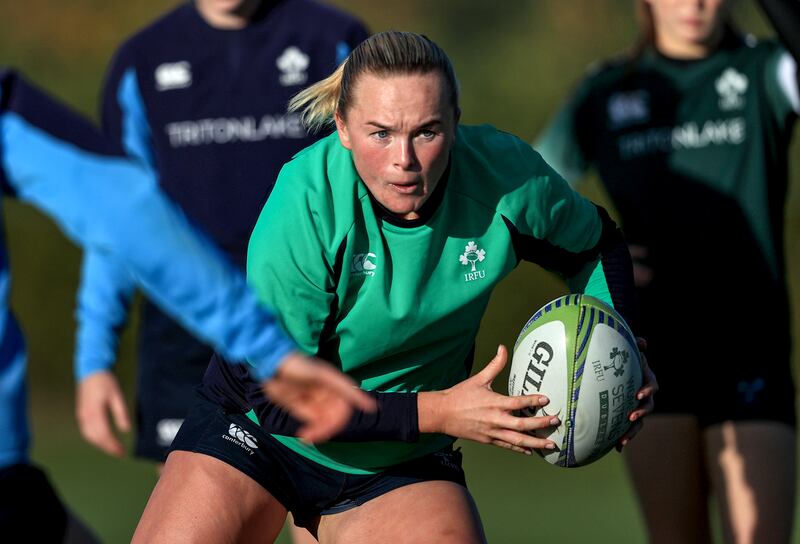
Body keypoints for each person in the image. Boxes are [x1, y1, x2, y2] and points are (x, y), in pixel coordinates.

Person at [132, 31, 658, 543]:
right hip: (257, 435)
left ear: (455, 122)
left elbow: (595, 245)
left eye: (426, 132)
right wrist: (441, 411)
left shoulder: (507, 180)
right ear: (342, 127)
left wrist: (623, 351)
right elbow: (280, 400)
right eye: (380, 133)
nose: (403, 161)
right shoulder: (305, 203)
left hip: (398, 460)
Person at [0, 68, 374, 541]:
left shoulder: (329, 35)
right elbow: (122, 212)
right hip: (202, 345)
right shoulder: (142, 61)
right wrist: (266, 349)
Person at [535, 0, 799, 542]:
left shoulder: (770, 69)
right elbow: (528, 197)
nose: (696, 3)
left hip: (751, 344)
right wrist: (589, 255)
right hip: (648, 356)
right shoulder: (606, 90)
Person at [74, 0, 368, 470]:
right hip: (184, 330)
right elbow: (118, 222)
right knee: (194, 516)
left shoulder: (333, 40)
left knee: (319, 500)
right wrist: (94, 357)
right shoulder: (142, 61)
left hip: (308, 317)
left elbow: (377, 182)